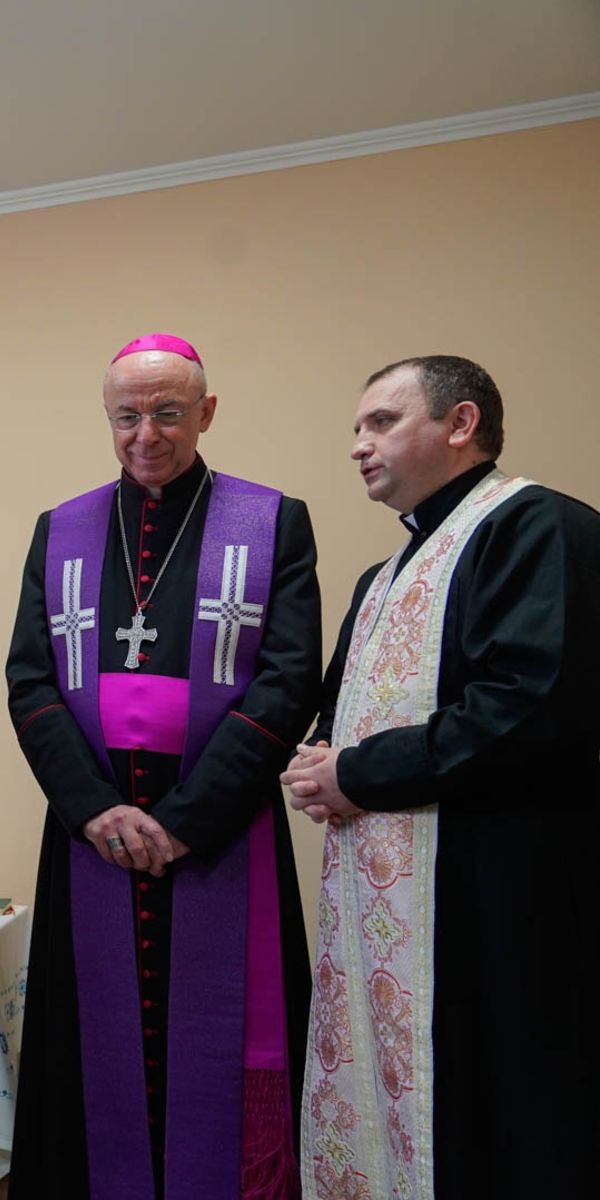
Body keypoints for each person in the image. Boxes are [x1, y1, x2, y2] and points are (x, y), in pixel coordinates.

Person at [5, 335, 320, 1200]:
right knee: (91, 1049)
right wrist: (94, 809)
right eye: (128, 415)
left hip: (218, 831)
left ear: (206, 414)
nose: (147, 433)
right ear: (108, 419)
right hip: (93, 835)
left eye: (168, 412)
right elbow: (29, 680)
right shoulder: (61, 529)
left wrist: (186, 818)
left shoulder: (272, 521)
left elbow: (289, 682)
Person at [282, 356, 599, 1200]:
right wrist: (321, 762)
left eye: (381, 421)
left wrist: (358, 771)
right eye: (356, 428)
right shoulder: (383, 577)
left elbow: (531, 706)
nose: (359, 445)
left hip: (492, 893)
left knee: (501, 1107)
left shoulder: (542, 528)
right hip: (383, 899)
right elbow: (339, 706)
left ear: (460, 424)